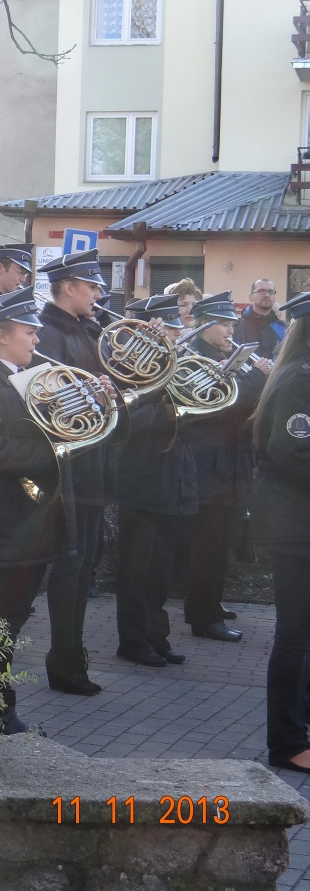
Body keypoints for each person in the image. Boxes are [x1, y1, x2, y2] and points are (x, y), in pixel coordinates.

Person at [0, 287, 71, 734]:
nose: (36, 340)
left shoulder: (17, 379)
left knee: (9, 619)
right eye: (29, 332)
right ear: (2, 336)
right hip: (6, 521)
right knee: (4, 622)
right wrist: (48, 451)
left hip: (25, 519)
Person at [34, 249, 116, 696]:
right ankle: (64, 662)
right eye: (91, 286)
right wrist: (94, 393)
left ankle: (72, 658)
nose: (98, 294)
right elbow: (50, 401)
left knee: (84, 565)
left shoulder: (85, 329)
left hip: (90, 464)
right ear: (68, 288)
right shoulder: (49, 333)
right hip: (70, 468)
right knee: (71, 566)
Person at [182, 291, 271, 642]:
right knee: (208, 545)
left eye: (232, 324)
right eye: (223, 324)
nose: (231, 330)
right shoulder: (195, 360)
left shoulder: (222, 356)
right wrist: (257, 378)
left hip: (226, 464)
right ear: (203, 325)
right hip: (210, 467)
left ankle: (211, 605)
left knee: (219, 544)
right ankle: (203, 617)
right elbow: (225, 404)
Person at [113, 294, 190, 669]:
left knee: (159, 570)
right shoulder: (127, 367)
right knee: (135, 569)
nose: (178, 334)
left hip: (168, 479)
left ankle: (157, 637)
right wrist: (165, 411)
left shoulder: (171, 365)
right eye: (171, 328)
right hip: (139, 479)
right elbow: (126, 421)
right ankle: (133, 641)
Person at [253, 291, 310, 772]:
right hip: (294, 526)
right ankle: (286, 743)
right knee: (294, 633)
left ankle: (300, 726)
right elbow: (291, 454)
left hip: (299, 522)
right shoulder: (298, 378)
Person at [234, 278, 285, 359]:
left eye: (270, 292)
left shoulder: (283, 328)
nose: (267, 295)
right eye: (261, 291)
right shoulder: (236, 327)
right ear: (251, 297)